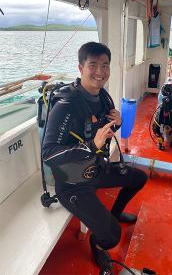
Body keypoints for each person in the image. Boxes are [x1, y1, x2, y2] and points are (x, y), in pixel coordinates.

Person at [41, 42, 148, 275]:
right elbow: (48, 154)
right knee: (112, 237)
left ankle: (115, 215)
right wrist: (91, 146)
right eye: (93, 65)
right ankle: (97, 244)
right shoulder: (66, 106)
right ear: (80, 68)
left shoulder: (104, 98)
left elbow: (103, 131)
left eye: (105, 65)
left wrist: (117, 123)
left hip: (96, 169)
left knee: (139, 178)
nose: (100, 72)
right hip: (71, 182)